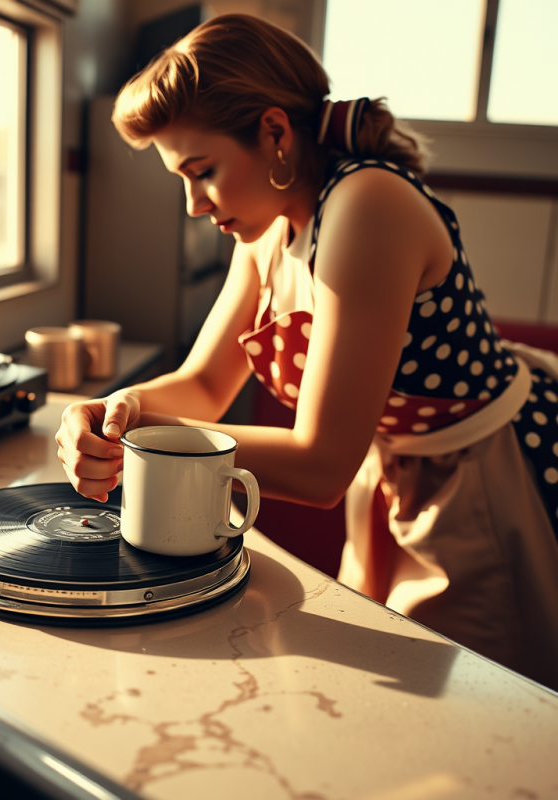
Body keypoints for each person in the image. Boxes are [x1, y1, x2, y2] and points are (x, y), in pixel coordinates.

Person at [55, 13, 558, 690]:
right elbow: (204, 385)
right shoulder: (268, 228)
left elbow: (321, 465)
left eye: (201, 172)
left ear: (273, 132)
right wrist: (120, 407)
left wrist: (144, 437)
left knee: (480, 711)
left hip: (478, 483)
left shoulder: (366, 204)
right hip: (388, 479)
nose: (194, 206)